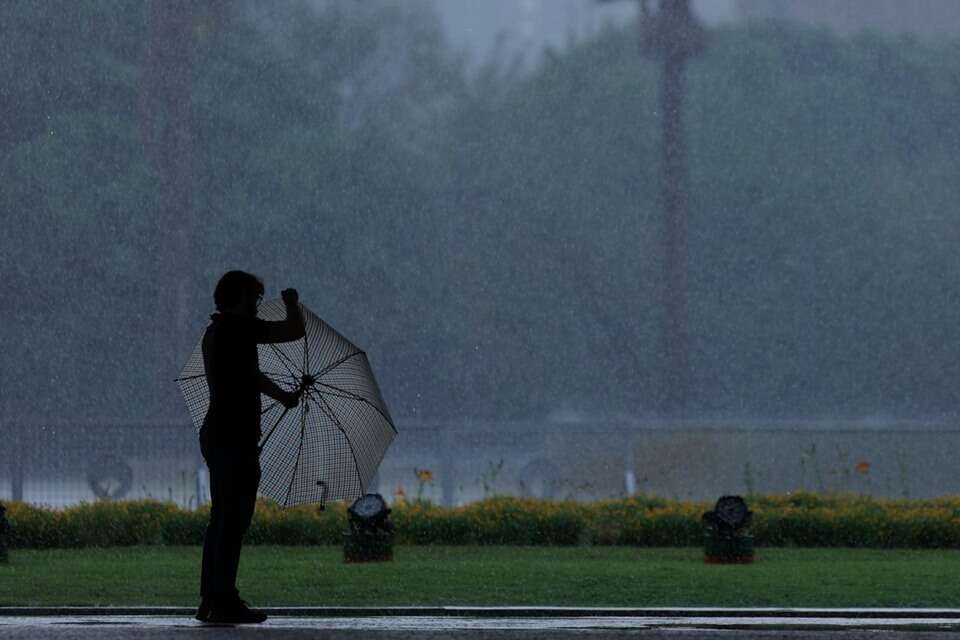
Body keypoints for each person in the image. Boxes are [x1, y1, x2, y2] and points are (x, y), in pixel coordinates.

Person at [196, 270, 305, 624]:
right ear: (237, 298)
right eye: (253, 299)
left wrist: (283, 396)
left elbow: (249, 377)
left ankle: (211, 597)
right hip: (234, 438)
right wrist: (292, 305)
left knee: (221, 520)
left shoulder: (218, 331)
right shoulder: (237, 329)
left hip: (219, 433)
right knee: (234, 520)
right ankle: (224, 600)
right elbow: (294, 331)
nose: (257, 306)